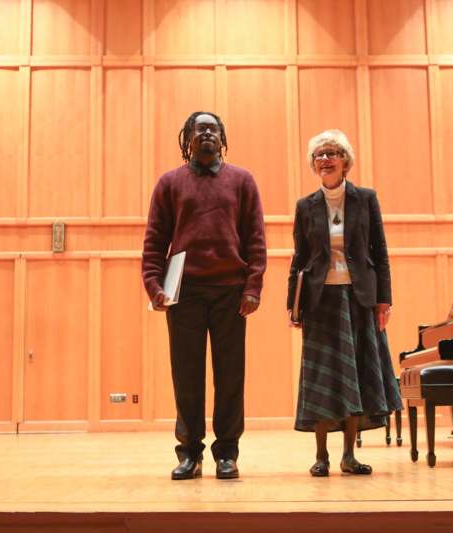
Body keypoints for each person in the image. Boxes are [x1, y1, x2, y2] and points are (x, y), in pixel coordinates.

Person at [142, 111, 267, 480]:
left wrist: (253, 287)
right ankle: (189, 453)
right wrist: (155, 285)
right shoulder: (169, 183)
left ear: (223, 137)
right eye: (200, 129)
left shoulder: (243, 181)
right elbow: (154, 242)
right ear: (187, 139)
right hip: (185, 294)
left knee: (230, 378)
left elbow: (256, 240)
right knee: (187, 377)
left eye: (214, 129)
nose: (208, 133)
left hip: (231, 293)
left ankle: (227, 454)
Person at [287, 129, 402, 477]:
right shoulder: (305, 206)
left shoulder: (365, 199)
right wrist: (292, 305)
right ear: (313, 163)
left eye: (332, 152)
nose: (325, 158)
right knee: (323, 377)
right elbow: (299, 257)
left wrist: (384, 300)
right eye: (319, 154)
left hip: (359, 298)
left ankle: (349, 456)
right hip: (320, 301)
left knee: (355, 374)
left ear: (345, 161)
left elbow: (379, 253)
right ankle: (321, 455)